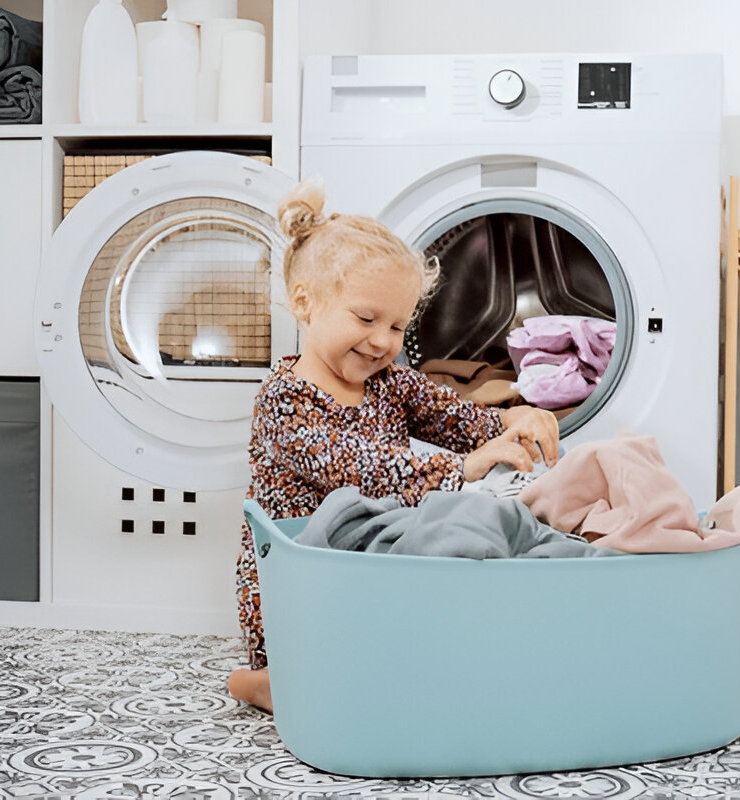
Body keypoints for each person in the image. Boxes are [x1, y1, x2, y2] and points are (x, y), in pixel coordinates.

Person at [227, 177, 560, 712]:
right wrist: (461, 472)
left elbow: (458, 416)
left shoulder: (390, 384)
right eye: (366, 318)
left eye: (398, 326)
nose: (382, 340)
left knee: (409, 644)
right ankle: (258, 679)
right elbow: (358, 468)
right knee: (333, 673)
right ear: (305, 303)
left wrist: (513, 420)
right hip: (302, 576)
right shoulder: (282, 401)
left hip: (375, 557)